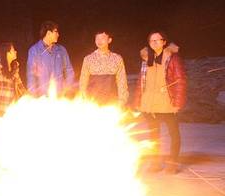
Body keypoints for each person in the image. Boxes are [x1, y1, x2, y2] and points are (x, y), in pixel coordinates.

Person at [133, 31, 187, 174]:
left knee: (173, 133)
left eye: (158, 40)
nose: (155, 43)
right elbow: (141, 81)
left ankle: (172, 163)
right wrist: (138, 100)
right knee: (153, 135)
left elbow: (180, 81)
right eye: (152, 40)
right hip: (149, 103)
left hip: (166, 102)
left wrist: (177, 103)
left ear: (164, 42)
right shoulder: (146, 58)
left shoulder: (172, 58)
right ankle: (155, 163)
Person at [79, 30, 129, 106]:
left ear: (109, 40)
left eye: (102, 38)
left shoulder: (117, 59)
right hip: (92, 101)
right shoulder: (88, 59)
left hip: (112, 101)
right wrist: (83, 97)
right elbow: (83, 80)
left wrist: (122, 100)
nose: (99, 41)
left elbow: (122, 81)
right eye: (97, 38)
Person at [27, 20, 75, 96]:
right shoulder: (34, 50)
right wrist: (33, 94)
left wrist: (67, 88)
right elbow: (31, 75)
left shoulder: (61, 50)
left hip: (59, 95)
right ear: (48, 33)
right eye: (56, 32)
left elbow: (69, 70)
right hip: (42, 96)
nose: (58, 34)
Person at [0, 42, 26, 124]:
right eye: (13, 50)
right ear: (7, 53)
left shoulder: (15, 67)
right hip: (1, 108)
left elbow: (19, 84)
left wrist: (28, 96)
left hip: (14, 106)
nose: (15, 52)